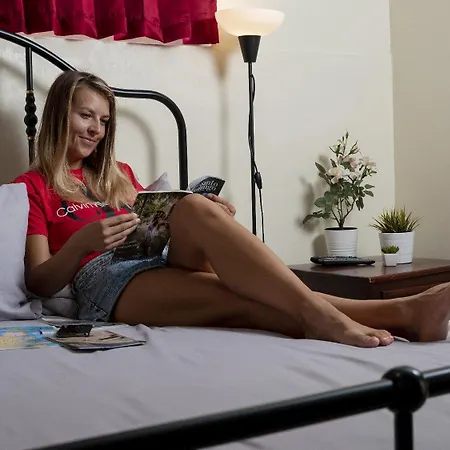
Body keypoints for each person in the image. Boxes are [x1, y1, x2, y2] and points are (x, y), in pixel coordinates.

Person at [12, 71, 450, 348]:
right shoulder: (32, 187)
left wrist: (202, 213)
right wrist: (81, 244)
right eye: (86, 116)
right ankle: (401, 313)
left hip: (154, 258)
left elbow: (153, 225)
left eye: (104, 121)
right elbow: (38, 280)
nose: (96, 129)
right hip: (103, 281)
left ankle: (370, 315)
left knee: (191, 206)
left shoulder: (119, 174)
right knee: (241, 299)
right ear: (59, 115)